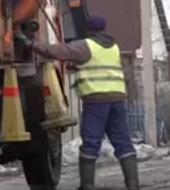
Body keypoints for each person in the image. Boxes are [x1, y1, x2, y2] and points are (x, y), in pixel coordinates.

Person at [14, 15, 139, 190]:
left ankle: (86, 186)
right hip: (117, 101)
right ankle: (133, 184)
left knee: (90, 144)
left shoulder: (85, 46)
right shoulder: (113, 48)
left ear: (89, 30)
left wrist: (30, 44)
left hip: (96, 103)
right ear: (104, 29)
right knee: (123, 142)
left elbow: (56, 51)